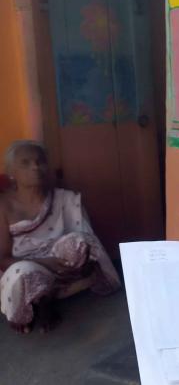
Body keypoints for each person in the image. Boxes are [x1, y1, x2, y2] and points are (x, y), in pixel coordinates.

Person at [0, 140, 121, 333]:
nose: (35, 167)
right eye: (26, 163)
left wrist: (73, 257)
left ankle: (46, 294)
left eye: (40, 161)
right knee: (22, 273)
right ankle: (43, 302)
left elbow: (83, 237)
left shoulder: (64, 197)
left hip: (60, 258)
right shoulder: (4, 205)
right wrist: (45, 262)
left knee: (80, 242)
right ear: (11, 173)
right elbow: (2, 259)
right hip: (25, 262)